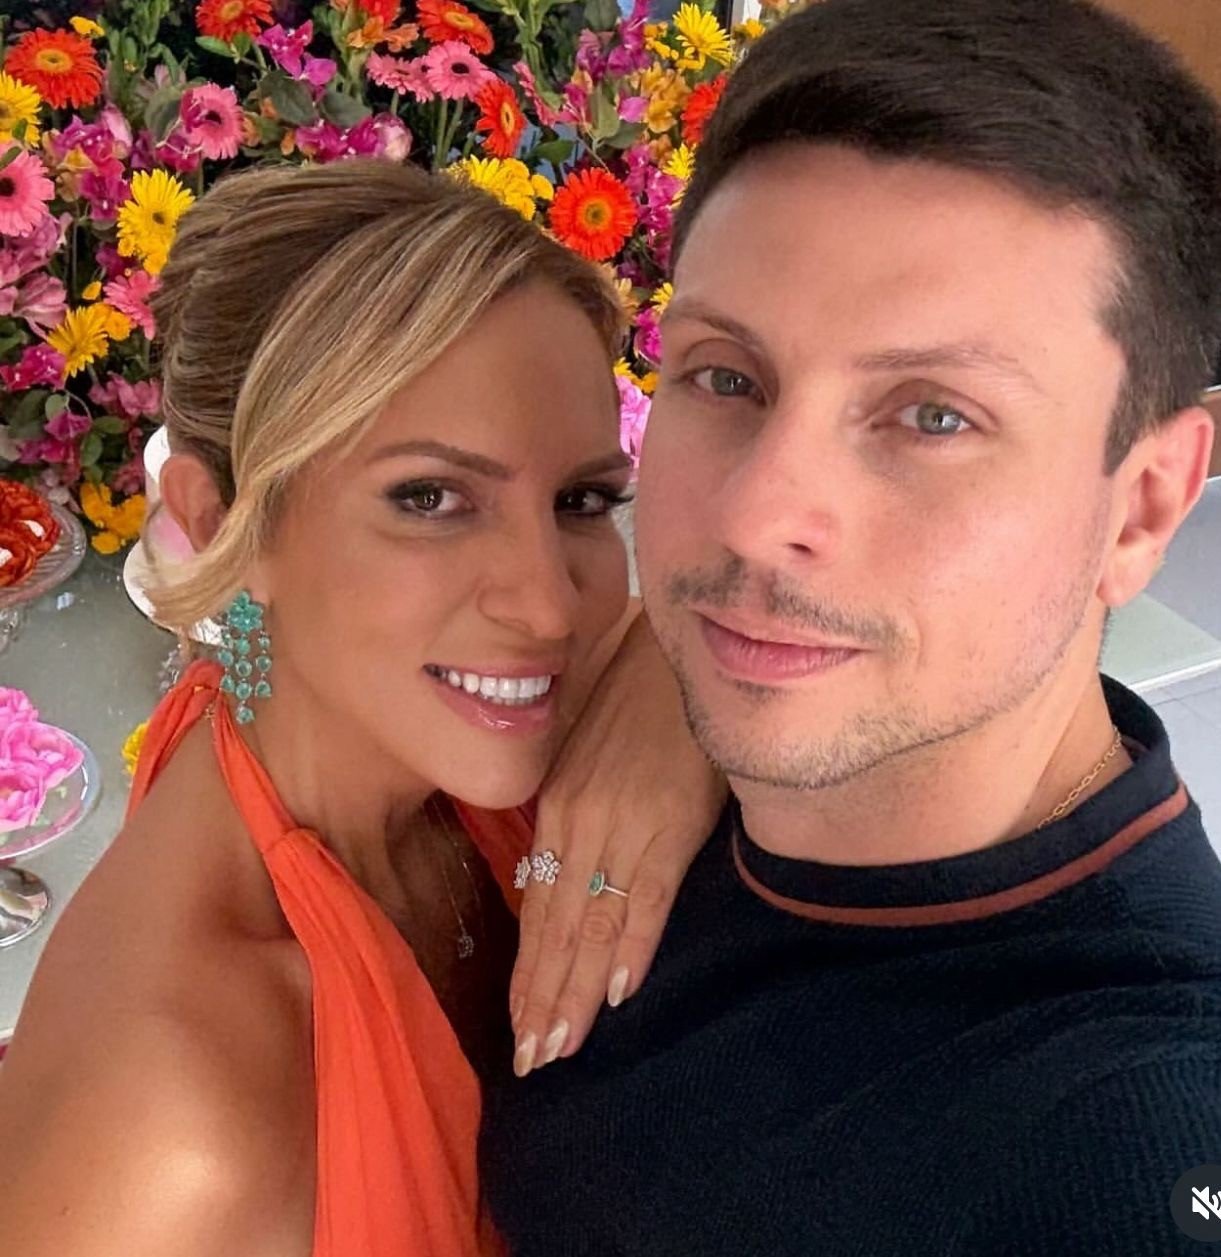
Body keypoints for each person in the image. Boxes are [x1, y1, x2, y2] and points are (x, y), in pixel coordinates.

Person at [481, 0, 1221, 1252]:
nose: (757, 515)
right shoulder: (636, 707)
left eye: (933, 416)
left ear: (1143, 505)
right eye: (727, 376)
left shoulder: (1133, 1118)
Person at [0, 160, 720, 1257]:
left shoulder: (330, 708)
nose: (546, 606)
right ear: (221, 521)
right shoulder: (179, 1134)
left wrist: (673, 702)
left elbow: (687, 630)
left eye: (581, 500)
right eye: (429, 499)